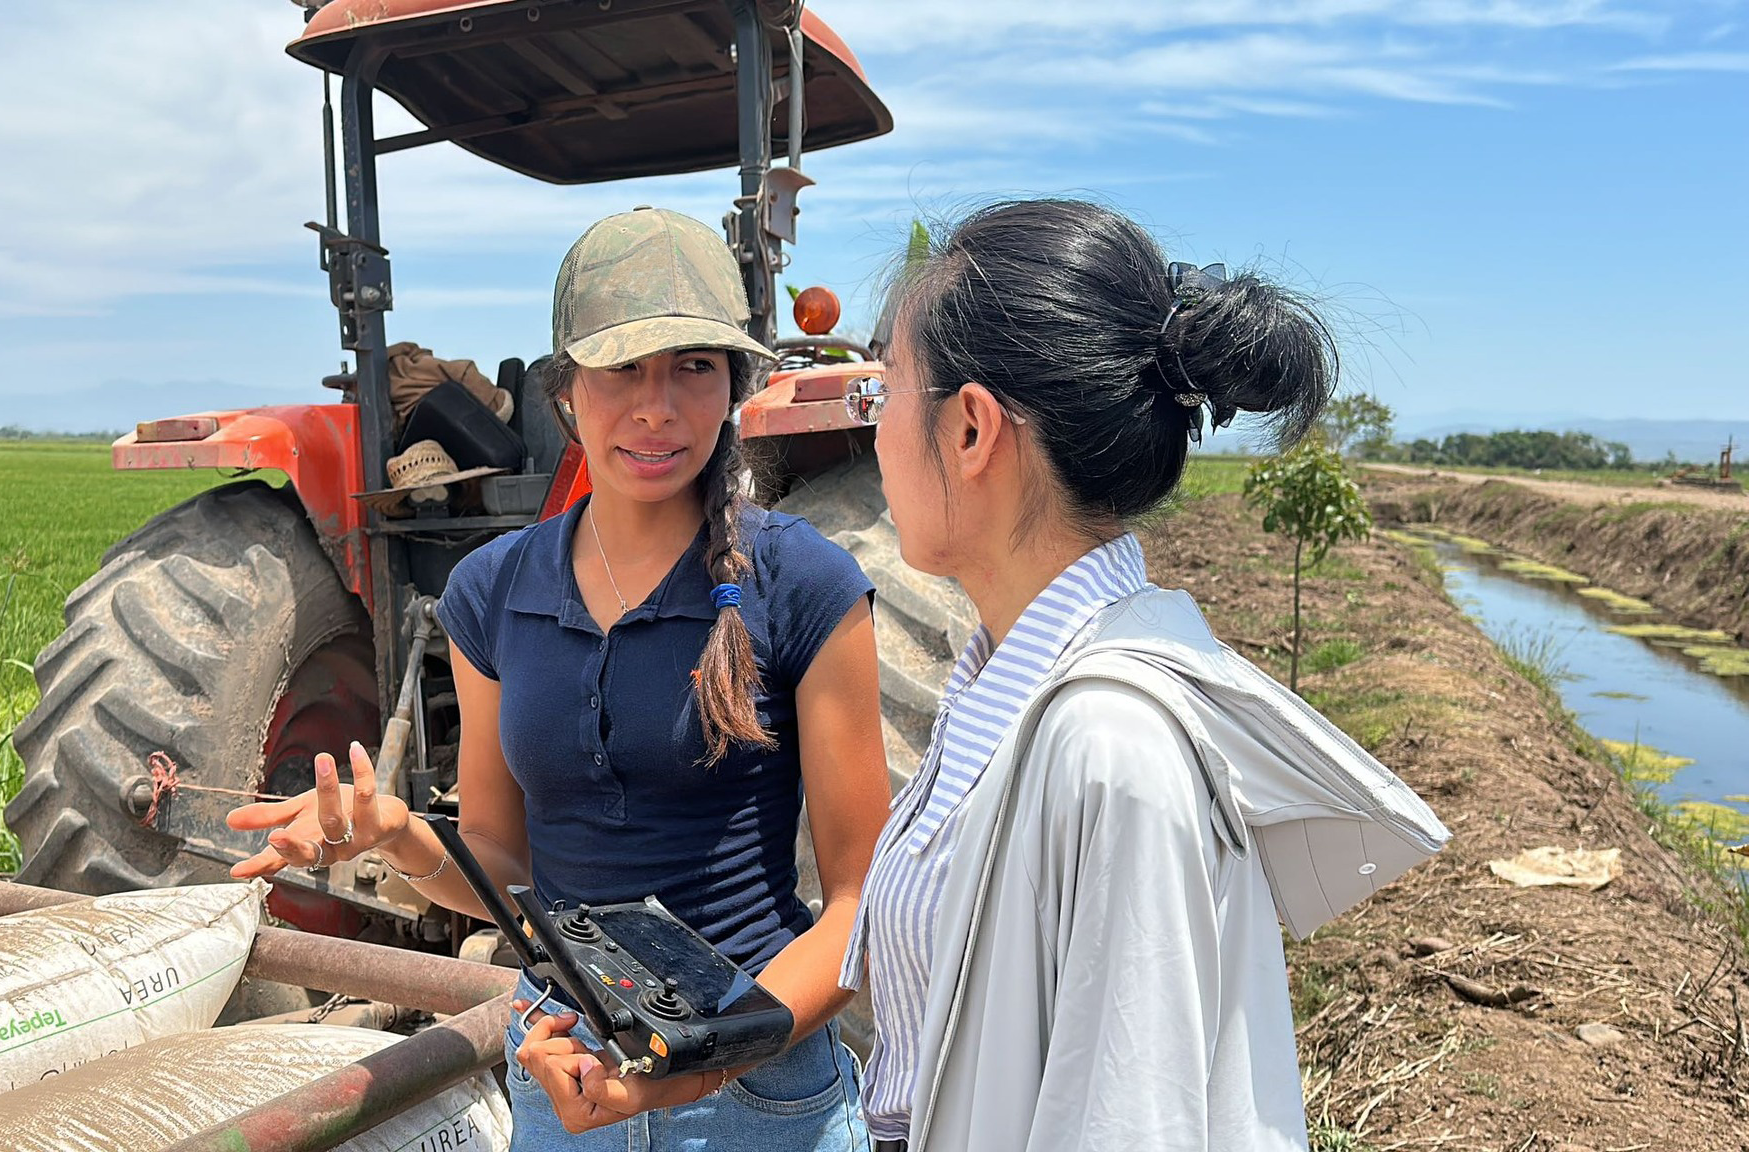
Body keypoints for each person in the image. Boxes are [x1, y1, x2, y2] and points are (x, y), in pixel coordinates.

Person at [526, 198, 1449, 1151]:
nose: (873, 438)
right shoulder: (995, 687)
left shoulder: (1112, 750)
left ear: (970, 431)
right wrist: (687, 1072)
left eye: (884, 395)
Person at [226, 206, 887, 1151]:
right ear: (566, 391)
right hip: (563, 1075)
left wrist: (698, 1056)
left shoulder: (806, 585)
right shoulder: (492, 592)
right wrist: (403, 835)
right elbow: (506, 862)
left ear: (736, 386)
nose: (655, 407)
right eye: (621, 368)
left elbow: (862, 907)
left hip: (757, 1095)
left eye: (692, 368)